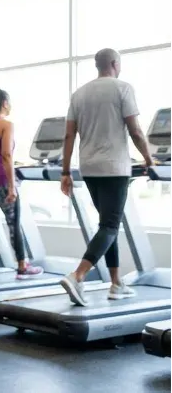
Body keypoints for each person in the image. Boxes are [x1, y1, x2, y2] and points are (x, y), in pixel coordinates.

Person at [59, 48, 149, 306]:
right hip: (114, 167)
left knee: (107, 225)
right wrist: (149, 159)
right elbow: (135, 131)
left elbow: (68, 136)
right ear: (114, 64)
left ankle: (116, 282)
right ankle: (78, 275)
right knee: (110, 225)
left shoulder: (79, 94)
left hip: (88, 168)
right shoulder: (123, 88)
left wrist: (65, 172)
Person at [0, 87, 43, 279]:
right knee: (13, 224)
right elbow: (6, 155)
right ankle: (22, 265)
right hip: (0, 180)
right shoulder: (6, 125)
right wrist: (12, 186)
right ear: (4, 102)